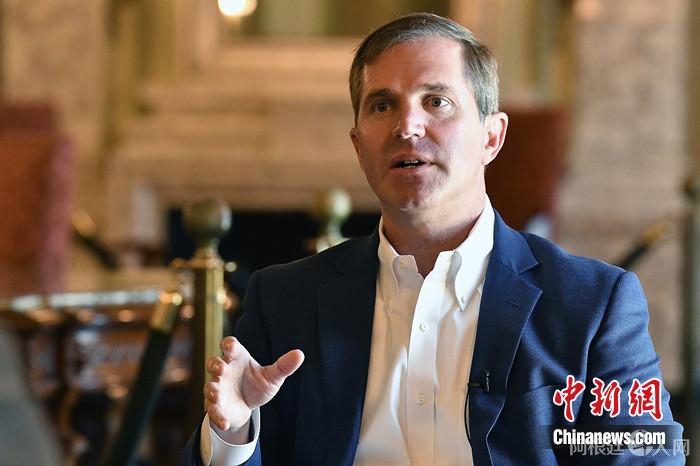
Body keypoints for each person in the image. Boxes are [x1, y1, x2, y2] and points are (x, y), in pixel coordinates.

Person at [181, 12, 683, 465]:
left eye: (436, 101)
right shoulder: (284, 300)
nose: (407, 126)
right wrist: (236, 432)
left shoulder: (593, 306)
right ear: (358, 146)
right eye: (382, 105)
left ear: (492, 137)